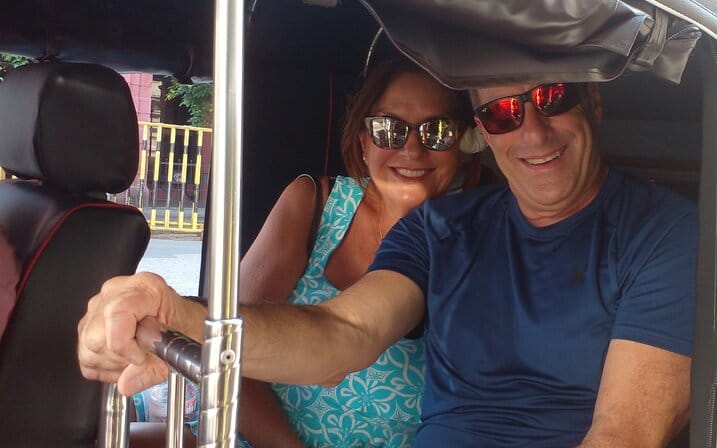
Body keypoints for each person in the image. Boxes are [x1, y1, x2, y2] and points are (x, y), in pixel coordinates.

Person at [78, 80, 696, 447]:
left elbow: (624, 437)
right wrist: (180, 317)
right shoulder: (443, 228)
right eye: (503, 112)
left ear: (593, 101)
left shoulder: (664, 233)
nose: (532, 132)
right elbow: (343, 331)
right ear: (484, 130)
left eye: (552, 98)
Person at [128, 55, 485, 447]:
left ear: (464, 144)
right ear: (364, 141)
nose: (412, 149)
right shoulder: (315, 206)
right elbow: (230, 362)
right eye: (389, 129)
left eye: (437, 131)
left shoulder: (484, 242)